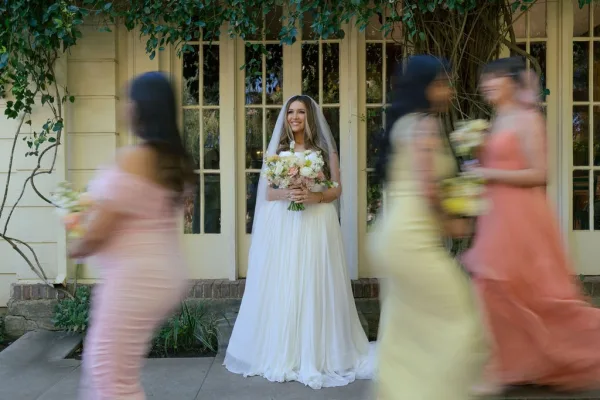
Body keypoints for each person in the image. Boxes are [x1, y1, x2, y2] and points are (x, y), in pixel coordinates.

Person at [463, 56, 600, 394]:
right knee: (494, 287)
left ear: (512, 82)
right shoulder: (497, 119)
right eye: (485, 80)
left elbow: (540, 174)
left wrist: (488, 173)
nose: (487, 85)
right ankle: (510, 364)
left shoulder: (528, 119)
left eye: (494, 79)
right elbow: (498, 163)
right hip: (497, 214)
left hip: (522, 215)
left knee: (524, 291)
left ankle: (514, 366)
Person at [224, 95, 374, 389]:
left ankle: (319, 351)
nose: (295, 117)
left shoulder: (325, 150)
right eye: (291, 112)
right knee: (288, 281)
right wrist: (291, 193)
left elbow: (336, 191)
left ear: (309, 117)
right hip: (287, 225)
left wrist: (313, 195)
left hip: (317, 223)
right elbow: (268, 194)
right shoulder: (278, 152)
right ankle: (286, 350)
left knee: (314, 281)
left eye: (301, 112)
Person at [368, 55, 488, 400]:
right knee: (461, 316)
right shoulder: (424, 125)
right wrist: (451, 221)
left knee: (408, 327)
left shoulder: (401, 124)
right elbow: (427, 187)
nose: (449, 90)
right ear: (426, 87)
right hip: (412, 239)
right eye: (442, 82)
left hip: (391, 235)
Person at [69, 72, 194, 399]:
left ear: (142, 107)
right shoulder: (173, 161)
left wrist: (77, 243)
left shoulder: (136, 158)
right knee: (115, 372)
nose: (123, 107)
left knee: (108, 374)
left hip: (133, 279)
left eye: (128, 100)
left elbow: (99, 232)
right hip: (160, 274)